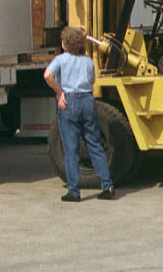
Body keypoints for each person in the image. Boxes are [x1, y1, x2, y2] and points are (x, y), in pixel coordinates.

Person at [43, 27, 115, 202]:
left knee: (71, 149)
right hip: (88, 101)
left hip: (70, 101)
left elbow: (48, 75)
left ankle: (74, 191)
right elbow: (92, 81)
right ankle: (107, 186)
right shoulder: (88, 61)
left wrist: (59, 92)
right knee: (95, 145)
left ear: (65, 44)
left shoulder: (61, 59)